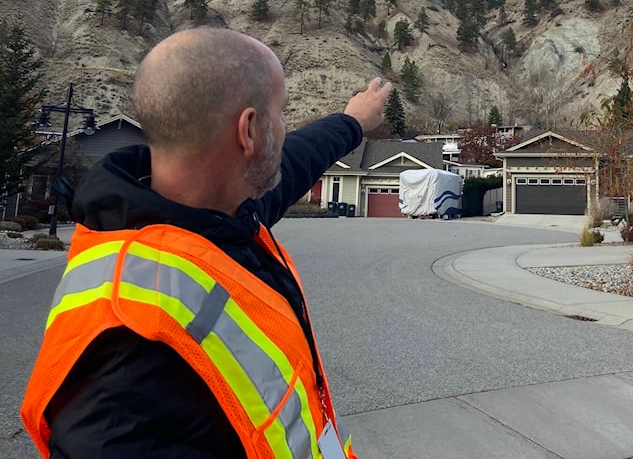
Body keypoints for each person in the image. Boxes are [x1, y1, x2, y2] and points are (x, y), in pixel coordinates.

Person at [21, 27, 391, 459]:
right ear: (249, 131)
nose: (286, 128)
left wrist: (351, 123)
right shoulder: (125, 359)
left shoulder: (223, 213)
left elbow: (294, 160)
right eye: (282, 113)